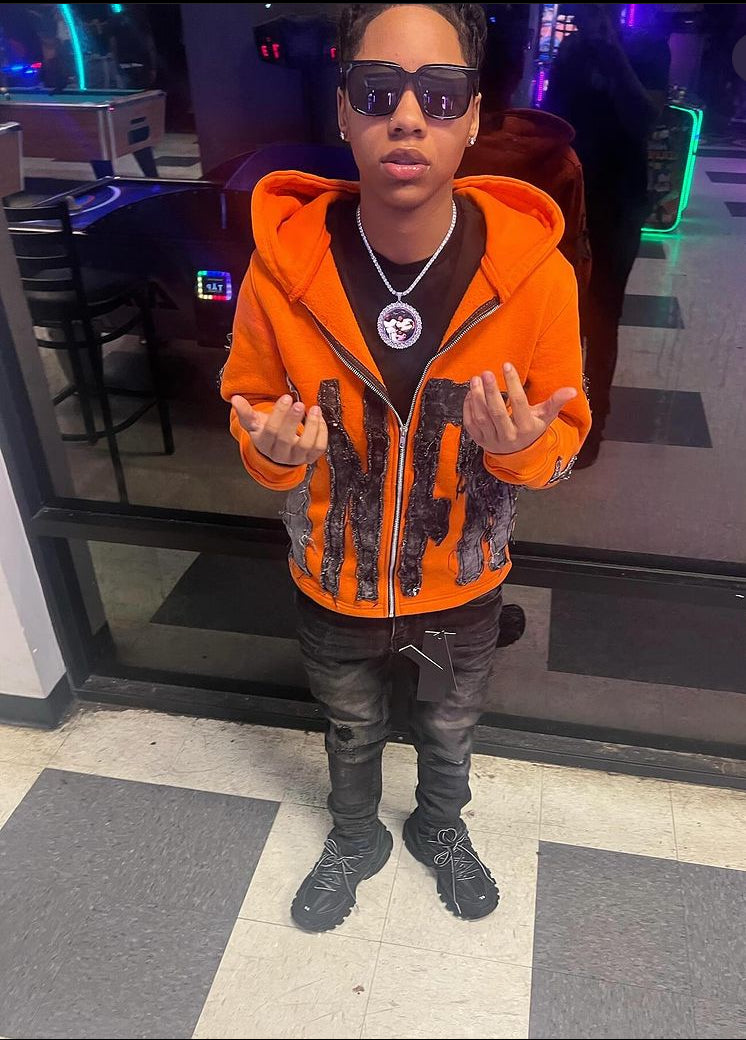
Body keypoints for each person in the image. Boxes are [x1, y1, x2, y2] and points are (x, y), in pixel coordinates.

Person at [220, 3, 590, 933]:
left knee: (450, 728)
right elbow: (251, 410)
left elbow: (561, 447)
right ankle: (355, 835)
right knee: (349, 729)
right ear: (343, 110)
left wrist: (520, 448)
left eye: (442, 93)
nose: (410, 118)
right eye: (379, 90)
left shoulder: (537, 277)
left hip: (461, 587)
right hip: (334, 580)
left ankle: (440, 826)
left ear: (474, 117)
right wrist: (271, 455)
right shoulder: (281, 271)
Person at [545, 3, 671, 467]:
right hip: (569, 196)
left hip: (619, 200)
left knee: (603, 315)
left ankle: (594, 422)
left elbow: (646, 117)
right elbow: (553, 120)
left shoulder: (648, 48)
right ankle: (557, 411)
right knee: (558, 311)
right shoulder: (571, 51)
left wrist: (614, 55)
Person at [458, 23, 591, 294]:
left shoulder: (438, 148)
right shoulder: (560, 158)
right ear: (517, 73)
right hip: (534, 303)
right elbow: (574, 261)